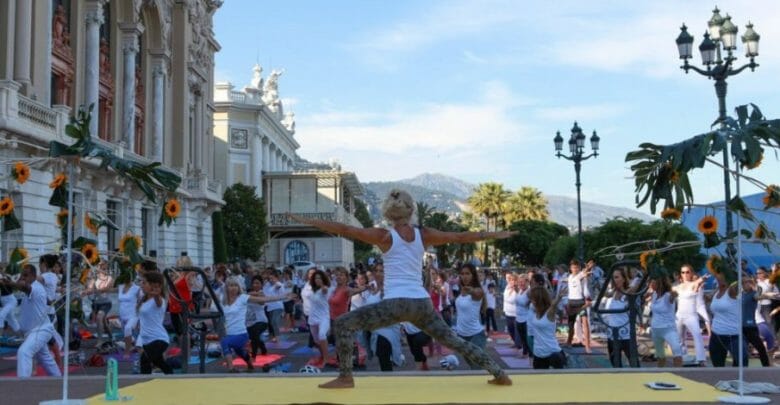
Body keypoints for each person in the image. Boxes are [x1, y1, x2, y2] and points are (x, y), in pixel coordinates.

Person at [289, 189, 515, 388]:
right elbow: (460, 236)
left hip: (396, 304)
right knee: (455, 341)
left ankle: (346, 377)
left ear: (388, 212)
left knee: (343, 324)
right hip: (422, 303)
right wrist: (495, 234)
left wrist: (305, 219)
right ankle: (499, 373)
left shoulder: (384, 236)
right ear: (411, 210)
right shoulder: (424, 234)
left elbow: (343, 228)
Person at [1, 264, 62, 377]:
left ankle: (23, 386)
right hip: (34, 331)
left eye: (26, 275)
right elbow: (46, 300)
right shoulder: (35, 288)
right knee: (45, 358)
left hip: (40, 330)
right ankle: (58, 379)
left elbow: (24, 287)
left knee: (24, 352)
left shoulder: (35, 287)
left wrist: (9, 283)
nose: (23, 277)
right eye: (22, 275)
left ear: (34, 276)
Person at [708, 265, 746, 367]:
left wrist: (731, 271)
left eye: (721, 274)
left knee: (742, 364)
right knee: (718, 367)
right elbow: (708, 299)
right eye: (717, 275)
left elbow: (742, 282)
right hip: (716, 335)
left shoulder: (732, 291)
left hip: (733, 336)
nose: (718, 277)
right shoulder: (716, 291)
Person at [137, 271, 173, 375]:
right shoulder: (145, 300)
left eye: (144, 283)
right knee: (160, 363)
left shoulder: (159, 300)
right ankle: (172, 378)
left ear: (153, 285)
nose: (141, 285)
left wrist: (157, 295)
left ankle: (144, 385)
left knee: (145, 360)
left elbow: (158, 302)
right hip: (147, 340)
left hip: (158, 339)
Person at [674, 264, 709, 367]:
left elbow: (699, 281)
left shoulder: (694, 284)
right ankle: (682, 356)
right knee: (679, 339)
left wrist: (703, 278)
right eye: (683, 272)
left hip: (691, 315)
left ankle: (701, 359)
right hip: (679, 315)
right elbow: (669, 290)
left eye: (687, 272)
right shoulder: (678, 286)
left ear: (692, 273)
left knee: (697, 336)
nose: (685, 274)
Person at [454, 263, 488, 369]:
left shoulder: (476, 290)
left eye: (467, 273)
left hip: (476, 335)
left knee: (477, 368)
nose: (464, 276)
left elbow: (479, 294)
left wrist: (471, 290)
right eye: (462, 274)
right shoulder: (461, 291)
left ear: (473, 275)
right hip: (462, 336)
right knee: (474, 367)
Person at [601, 267, 636, 368]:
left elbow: (636, 285)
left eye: (616, 277)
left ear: (624, 279)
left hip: (626, 335)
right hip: (612, 334)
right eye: (613, 278)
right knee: (615, 365)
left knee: (633, 363)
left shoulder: (628, 293)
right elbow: (604, 293)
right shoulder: (612, 293)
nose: (614, 280)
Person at [647, 274, 683, 367]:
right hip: (655, 330)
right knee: (660, 356)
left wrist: (674, 294)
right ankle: (660, 374)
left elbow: (673, 296)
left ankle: (680, 375)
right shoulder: (654, 294)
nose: (650, 283)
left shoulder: (668, 296)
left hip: (668, 329)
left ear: (659, 283)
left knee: (677, 352)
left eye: (652, 281)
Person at [528, 285, 567, 369]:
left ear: (539, 300)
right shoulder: (534, 310)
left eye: (533, 299)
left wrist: (559, 297)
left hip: (552, 353)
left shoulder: (549, 313)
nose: (531, 301)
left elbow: (553, 305)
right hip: (538, 353)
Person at [565, 260, 592, 353]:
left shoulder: (580, 275)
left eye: (577, 267)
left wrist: (588, 267)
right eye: (573, 267)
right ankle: (569, 342)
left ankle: (588, 347)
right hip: (571, 302)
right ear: (570, 268)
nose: (575, 269)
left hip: (580, 302)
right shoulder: (569, 277)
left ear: (579, 268)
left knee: (585, 323)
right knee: (571, 325)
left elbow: (585, 272)